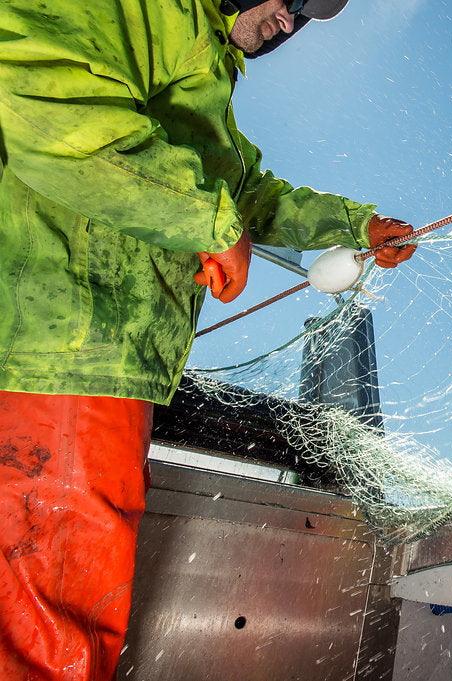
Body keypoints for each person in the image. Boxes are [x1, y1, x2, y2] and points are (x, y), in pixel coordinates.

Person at [0, 1, 417, 679]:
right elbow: (45, 96)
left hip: (96, 366)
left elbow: (249, 193)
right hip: (63, 354)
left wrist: (356, 222)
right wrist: (205, 218)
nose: (295, 17)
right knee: (54, 621)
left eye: (312, 12)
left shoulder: (201, 66)